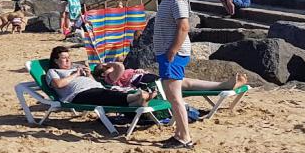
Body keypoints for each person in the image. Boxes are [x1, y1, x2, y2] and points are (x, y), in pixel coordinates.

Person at [149, 0, 194, 149]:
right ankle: (179, 134)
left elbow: (184, 26)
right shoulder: (166, 1)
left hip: (173, 55)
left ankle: (185, 137)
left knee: (175, 96)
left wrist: (172, 51)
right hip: (166, 54)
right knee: (170, 95)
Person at [46, 46, 156, 107]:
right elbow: (58, 84)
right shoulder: (53, 71)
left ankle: (137, 102)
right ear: (56, 60)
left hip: (94, 88)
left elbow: (93, 82)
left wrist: (88, 75)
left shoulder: (76, 68)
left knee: (107, 93)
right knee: (103, 95)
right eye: (64, 58)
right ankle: (137, 98)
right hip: (77, 94)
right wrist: (76, 74)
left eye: (69, 57)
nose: (68, 60)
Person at [94, 61, 248, 93]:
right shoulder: (110, 78)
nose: (110, 69)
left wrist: (138, 70)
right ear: (103, 74)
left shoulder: (112, 75)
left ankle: (222, 85)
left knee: (185, 82)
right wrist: (111, 63)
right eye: (106, 69)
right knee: (185, 83)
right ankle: (223, 86)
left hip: (147, 79)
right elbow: (120, 66)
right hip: (146, 84)